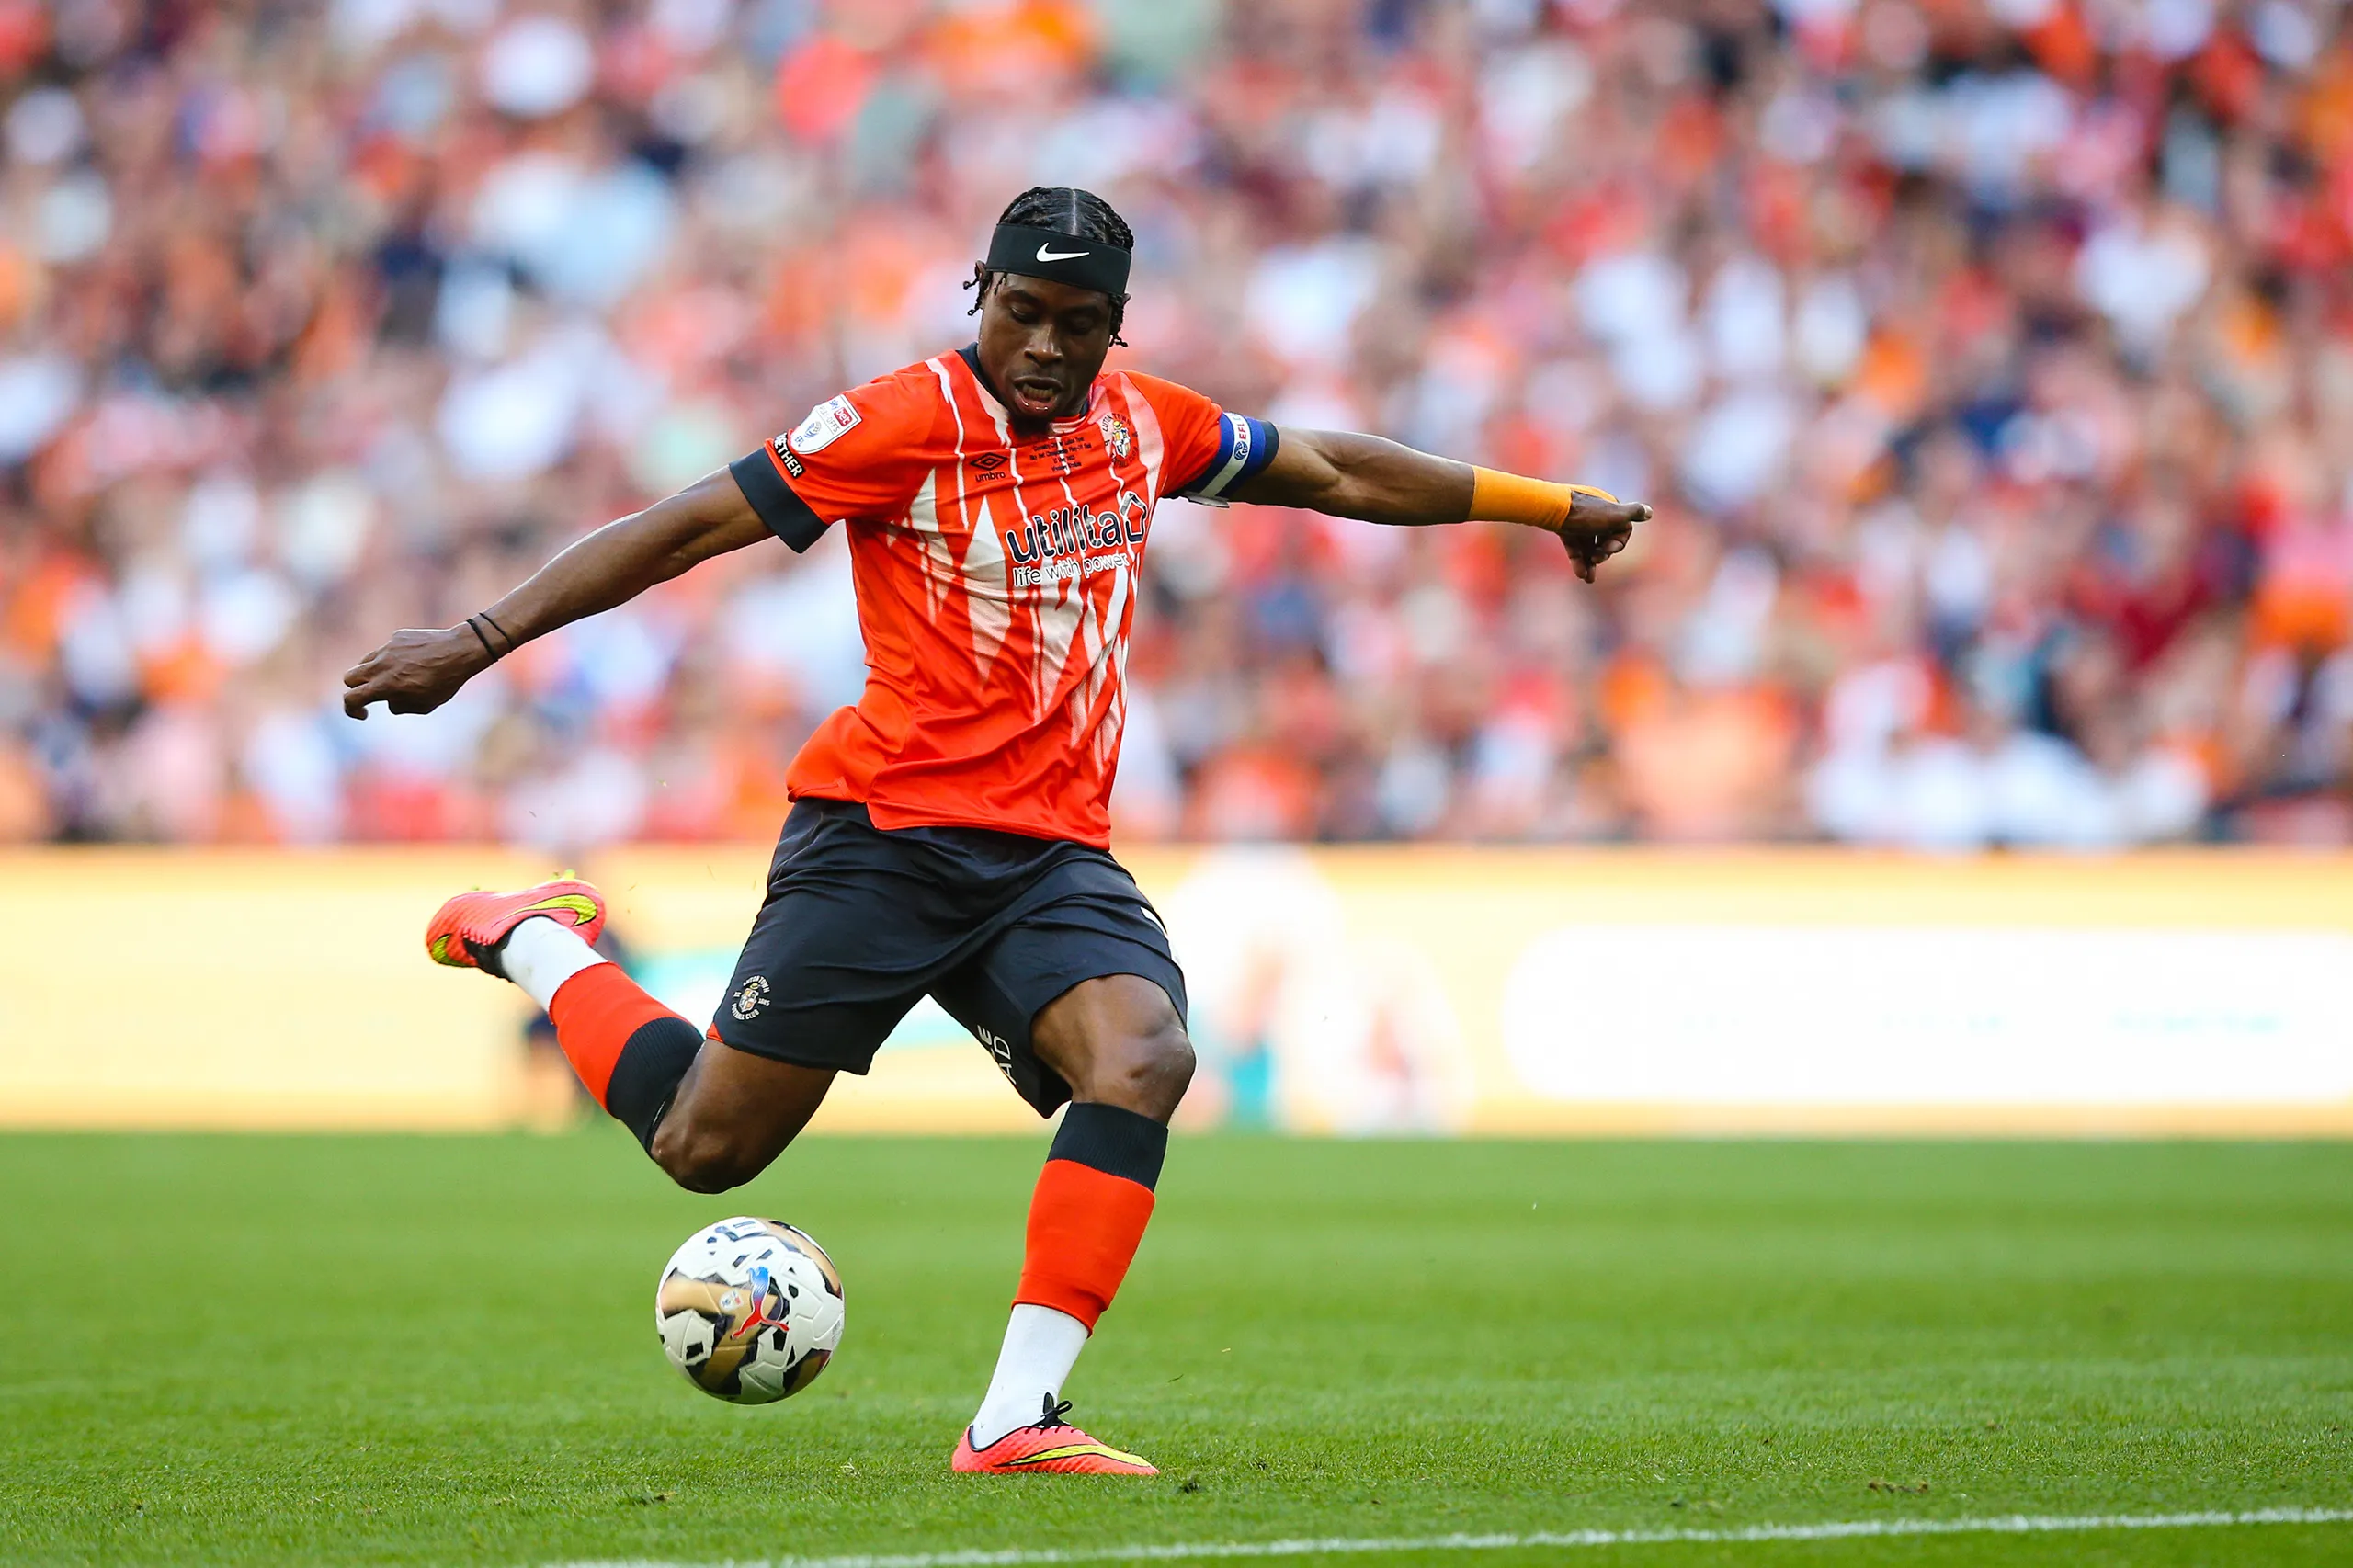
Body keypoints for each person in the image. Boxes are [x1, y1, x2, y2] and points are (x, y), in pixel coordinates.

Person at [342, 186, 1648, 1475]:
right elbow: (688, 525)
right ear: (981, 293)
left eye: (1079, 324)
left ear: (1116, 328)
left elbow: (1334, 468)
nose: (1043, 346)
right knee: (704, 1147)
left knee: (1144, 1054)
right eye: (1022, 311)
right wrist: (477, 640)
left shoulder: (1148, 424)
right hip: (882, 837)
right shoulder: (899, 420)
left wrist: (1547, 505)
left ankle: (1015, 1417)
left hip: (1050, 858)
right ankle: (532, 940)